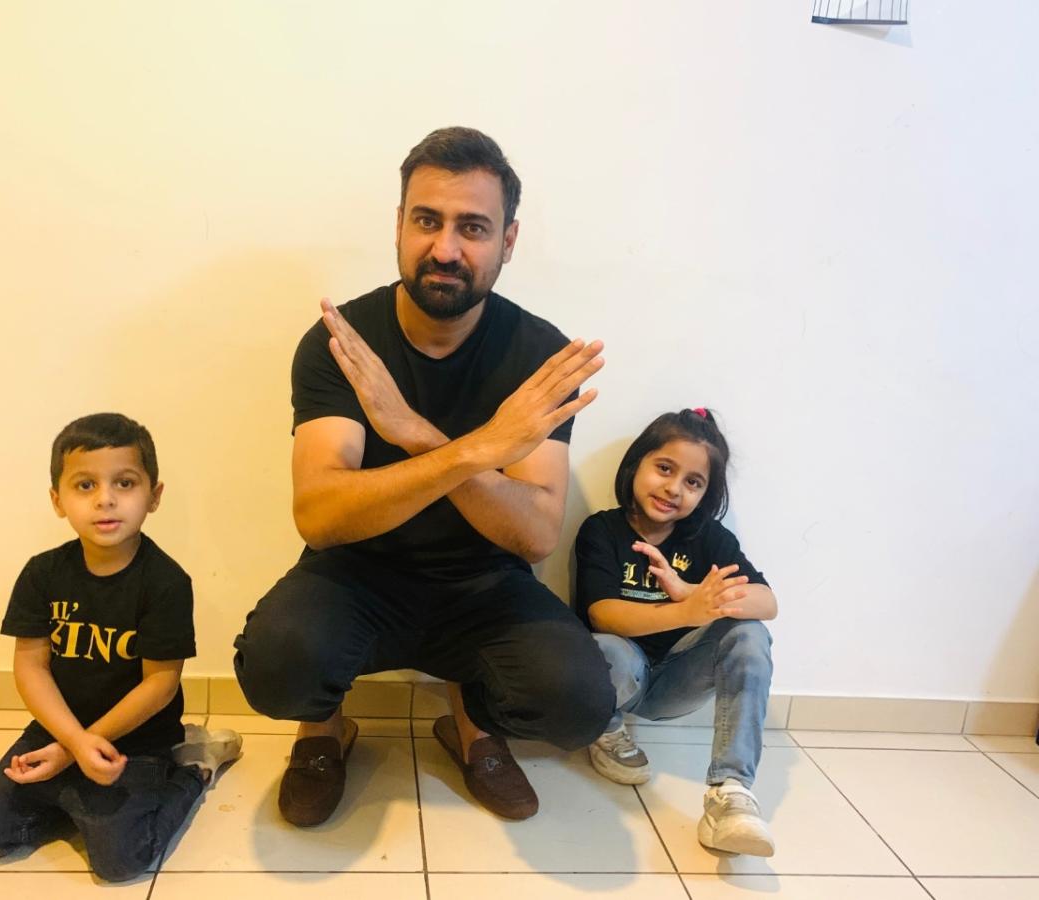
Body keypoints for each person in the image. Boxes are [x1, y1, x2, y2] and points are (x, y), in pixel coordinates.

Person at [233, 126, 615, 827]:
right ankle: (324, 731)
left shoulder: (540, 356)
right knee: (277, 666)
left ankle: (470, 723)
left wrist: (413, 433)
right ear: (400, 225)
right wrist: (476, 449)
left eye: (473, 227)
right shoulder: (343, 342)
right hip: (356, 575)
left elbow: (533, 534)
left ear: (509, 240)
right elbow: (320, 515)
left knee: (578, 703)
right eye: (427, 221)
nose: (445, 248)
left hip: (485, 588)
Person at [0, 413, 240, 882]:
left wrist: (79, 750)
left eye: (125, 483)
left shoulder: (165, 582)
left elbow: (160, 682)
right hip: (59, 731)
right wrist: (71, 743)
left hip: (138, 742)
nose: (105, 499)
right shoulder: (41, 573)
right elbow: (31, 667)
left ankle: (194, 769)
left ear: (153, 497)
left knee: (120, 864)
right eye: (85, 485)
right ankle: (82, 804)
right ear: (58, 501)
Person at [574, 408, 778, 857]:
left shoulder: (710, 540)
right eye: (664, 468)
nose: (674, 489)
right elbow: (604, 614)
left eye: (693, 482)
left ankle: (730, 792)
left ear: (705, 495)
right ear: (636, 465)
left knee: (749, 633)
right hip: (617, 678)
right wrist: (687, 609)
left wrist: (688, 590)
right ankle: (607, 731)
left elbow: (767, 602)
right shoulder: (601, 530)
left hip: (674, 683)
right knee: (605, 647)